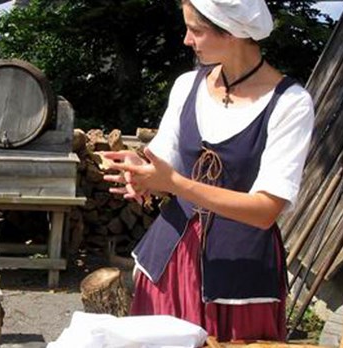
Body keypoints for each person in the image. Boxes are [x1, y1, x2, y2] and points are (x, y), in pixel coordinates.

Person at [101, 0, 314, 342]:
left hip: (239, 274)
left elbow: (265, 210)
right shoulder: (187, 85)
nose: (186, 39)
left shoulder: (290, 103)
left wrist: (174, 183)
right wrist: (142, 174)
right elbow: (163, 163)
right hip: (170, 260)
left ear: (231, 33)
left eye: (196, 30)